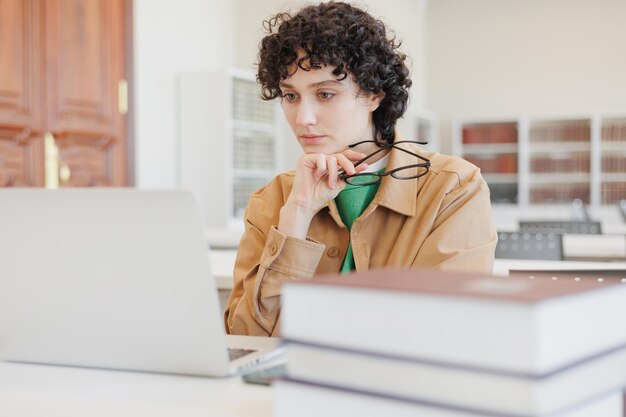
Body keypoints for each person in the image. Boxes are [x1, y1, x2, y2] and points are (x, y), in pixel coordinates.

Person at [224, 1, 497, 336]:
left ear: (374, 95)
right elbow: (245, 339)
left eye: (324, 94)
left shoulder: (453, 188)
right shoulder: (275, 199)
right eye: (290, 96)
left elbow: (443, 330)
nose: (303, 118)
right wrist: (296, 216)